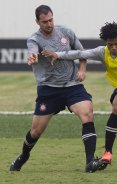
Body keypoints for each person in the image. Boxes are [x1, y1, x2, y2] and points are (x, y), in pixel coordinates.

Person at [42, 22, 117, 172]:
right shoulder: (102, 52)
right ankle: (107, 153)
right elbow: (80, 54)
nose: (113, 48)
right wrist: (57, 54)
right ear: (106, 43)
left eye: (116, 44)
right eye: (110, 44)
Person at [9, 5, 101, 173]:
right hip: (48, 90)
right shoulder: (34, 40)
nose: (49, 24)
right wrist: (33, 56)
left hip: (72, 86)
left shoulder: (66, 32)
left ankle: (90, 163)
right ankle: (23, 156)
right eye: (44, 22)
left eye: (51, 20)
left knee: (87, 114)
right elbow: (33, 51)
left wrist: (82, 70)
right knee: (36, 131)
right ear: (37, 22)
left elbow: (82, 53)